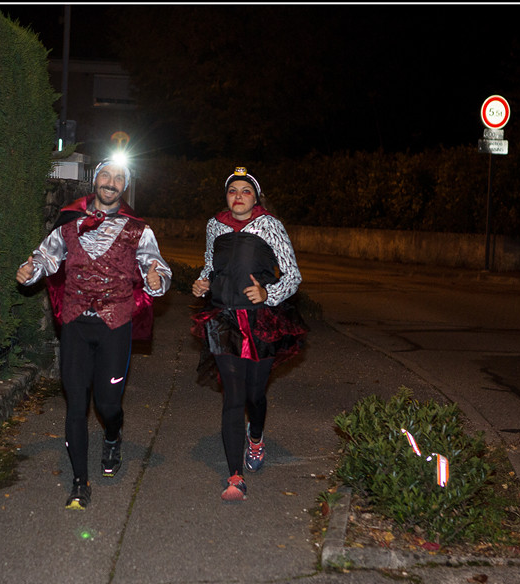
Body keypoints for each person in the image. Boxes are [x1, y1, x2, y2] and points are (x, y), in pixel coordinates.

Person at [17, 158, 172, 510]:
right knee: (76, 404)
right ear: (95, 180)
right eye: (106, 175)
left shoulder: (138, 230)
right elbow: (45, 257)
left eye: (118, 178)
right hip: (76, 324)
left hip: (114, 326)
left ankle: (113, 436)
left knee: (107, 404)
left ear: (124, 186)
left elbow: (157, 267)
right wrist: (30, 270)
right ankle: (79, 482)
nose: (111, 182)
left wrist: (157, 278)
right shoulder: (70, 223)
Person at [191, 167, 307, 501]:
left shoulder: (270, 225)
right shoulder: (215, 226)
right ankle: (235, 476)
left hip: (261, 321)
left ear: (256, 198)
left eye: (245, 191)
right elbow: (210, 265)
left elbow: (293, 275)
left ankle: (255, 438)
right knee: (234, 395)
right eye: (233, 191)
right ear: (226, 197)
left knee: (255, 395)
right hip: (224, 319)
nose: (238, 196)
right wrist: (202, 283)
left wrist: (268, 294)